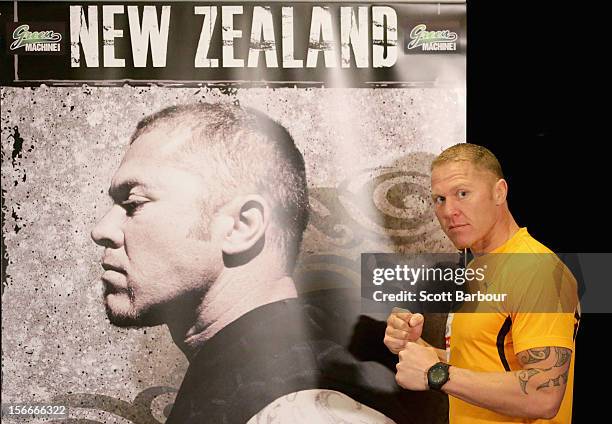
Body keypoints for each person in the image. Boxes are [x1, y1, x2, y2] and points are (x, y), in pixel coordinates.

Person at [91, 103, 439, 423]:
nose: (102, 230)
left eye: (133, 203)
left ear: (243, 226)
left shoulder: (300, 408)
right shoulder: (264, 378)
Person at [383, 143, 580, 423]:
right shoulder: (477, 268)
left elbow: (543, 396)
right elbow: (482, 364)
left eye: (462, 194)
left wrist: (436, 373)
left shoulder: (537, 269)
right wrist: (418, 348)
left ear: (499, 192)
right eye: (439, 199)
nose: (450, 210)